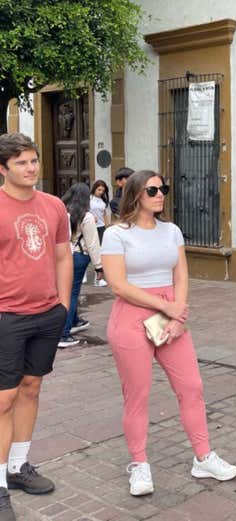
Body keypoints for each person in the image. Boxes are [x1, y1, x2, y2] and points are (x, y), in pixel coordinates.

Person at [102, 170, 236, 496]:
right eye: (153, 190)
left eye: (163, 188)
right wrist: (165, 307)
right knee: (138, 395)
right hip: (131, 319)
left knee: (192, 386)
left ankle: (203, 457)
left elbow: (181, 275)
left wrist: (178, 312)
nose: (161, 194)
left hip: (170, 318)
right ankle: (139, 464)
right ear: (136, 194)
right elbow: (118, 285)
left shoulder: (172, 231)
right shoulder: (117, 234)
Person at [0, 133, 72, 521]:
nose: (31, 169)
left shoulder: (54, 206)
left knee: (31, 388)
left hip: (46, 314)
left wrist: (62, 305)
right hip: (6, 316)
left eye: (33, 161)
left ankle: (18, 467)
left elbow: (63, 255)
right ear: (2, 169)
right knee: (3, 400)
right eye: (22, 163)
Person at [58, 183, 104, 348]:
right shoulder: (86, 217)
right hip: (79, 256)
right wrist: (99, 266)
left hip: (62, 255)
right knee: (71, 293)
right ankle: (63, 333)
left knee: (68, 291)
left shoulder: (62, 211)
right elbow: (92, 243)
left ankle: (75, 320)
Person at [90, 180, 110, 286]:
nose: (101, 192)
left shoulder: (103, 201)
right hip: (90, 227)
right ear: (94, 188)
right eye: (99, 189)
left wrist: (107, 227)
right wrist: (90, 217)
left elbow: (105, 214)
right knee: (88, 251)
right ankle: (82, 273)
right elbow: (84, 211)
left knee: (100, 253)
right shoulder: (88, 199)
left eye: (103, 190)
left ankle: (98, 277)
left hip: (101, 228)